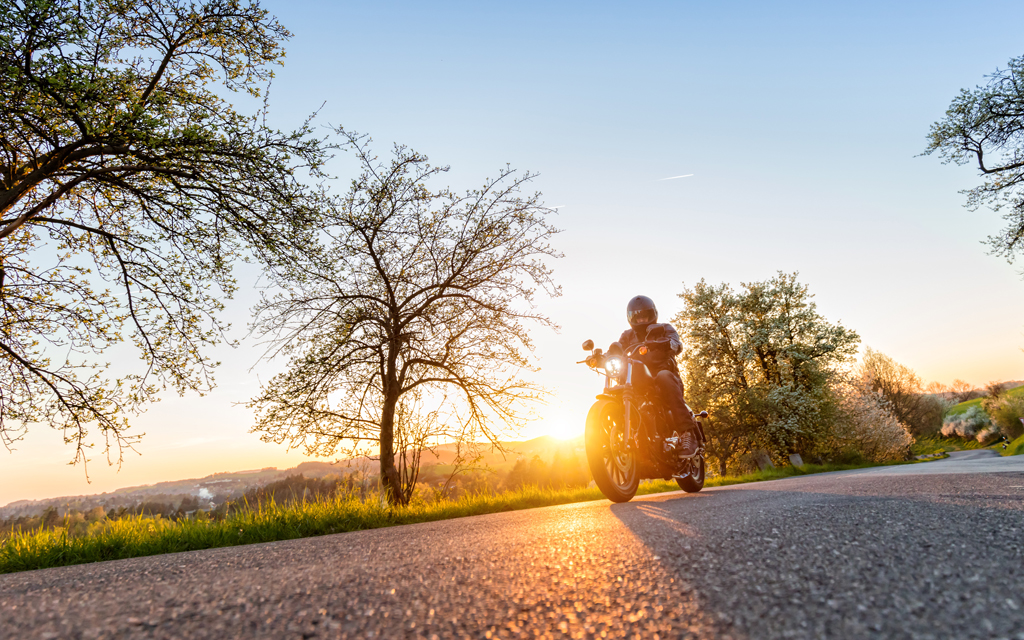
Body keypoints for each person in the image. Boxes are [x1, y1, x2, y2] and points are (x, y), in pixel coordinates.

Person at [614, 295, 699, 457]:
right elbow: (618, 350)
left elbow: (677, 344)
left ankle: (687, 433)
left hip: (664, 381)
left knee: (663, 376)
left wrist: (666, 343)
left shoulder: (664, 329)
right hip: (638, 382)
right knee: (621, 384)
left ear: (653, 314)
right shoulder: (627, 336)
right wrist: (606, 355)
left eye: (645, 316)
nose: (642, 320)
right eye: (637, 317)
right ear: (631, 318)